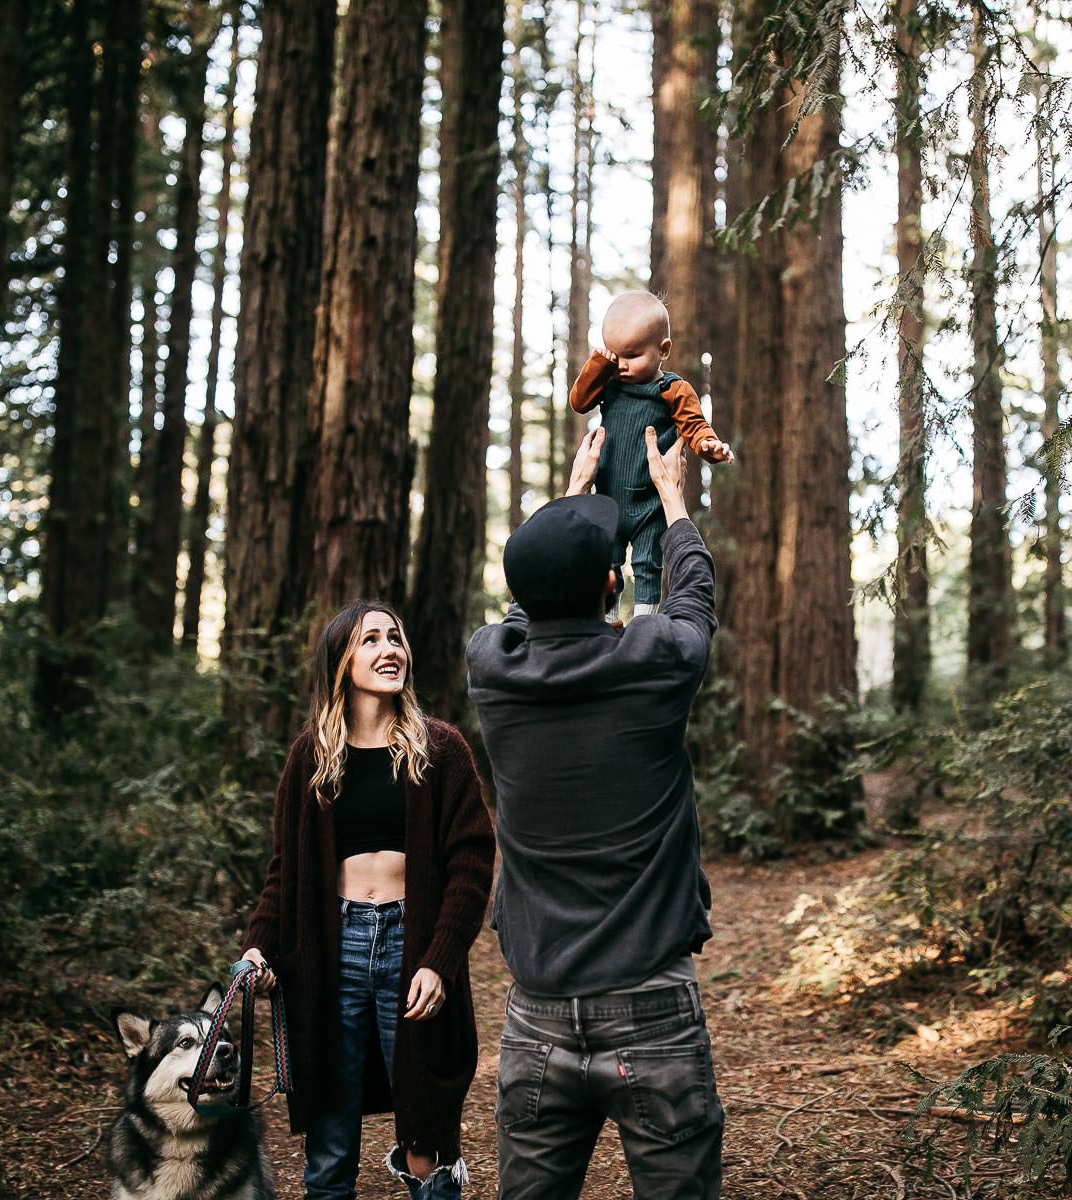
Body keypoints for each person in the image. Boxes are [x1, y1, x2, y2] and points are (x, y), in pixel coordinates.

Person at [467, 425, 725, 1200]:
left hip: (537, 1015)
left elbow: (523, 612)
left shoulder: (492, 669)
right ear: (611, 584)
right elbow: (694, 598)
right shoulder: (652, 660)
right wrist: (673, 502)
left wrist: (570, 501)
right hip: (652, 1006)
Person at [239, 601, 494, 1200]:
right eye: (371, 639)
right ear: (341, 661)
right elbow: (285, 871)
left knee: (426, 1134)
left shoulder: (441, 749)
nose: (390, 649)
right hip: (334, 952)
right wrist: (257, 949)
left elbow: (471, 863)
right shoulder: (311, 757)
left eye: (395, 637)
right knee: (329, 1143)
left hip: (413, 945)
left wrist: (440, 959)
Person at [569, 290, 733, 618]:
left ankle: (645, 622)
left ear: (663, 350)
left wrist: (709, 446)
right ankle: (609, 620)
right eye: (614, 355)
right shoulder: (610, 382)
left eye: (631, 355)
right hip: (609, 496)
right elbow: (579, 401)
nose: (621, 364)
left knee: (647, 564)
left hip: (650, 503)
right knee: (607, 560)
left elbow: (695, 426)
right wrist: (598, 364)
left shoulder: (672, 389)